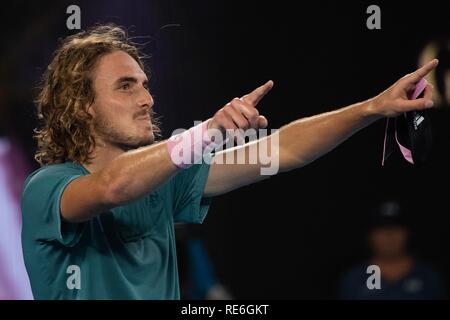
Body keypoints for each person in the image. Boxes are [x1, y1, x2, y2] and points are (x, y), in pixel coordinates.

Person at [21, 24, 439, 299]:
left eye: (145, 86)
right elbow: (112, 188)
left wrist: (371, 108)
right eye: (126, 86)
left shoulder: (168, 180)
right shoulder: (48, 187)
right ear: (81, 105)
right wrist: (207, 133)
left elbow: (285, 149)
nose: (147, 99)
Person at [338, 200, 446, 300]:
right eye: (381, 229)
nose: (389, 235)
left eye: (395, 228)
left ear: (407, 233)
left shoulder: (428, 278)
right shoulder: (354, 279)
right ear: (370, 235)